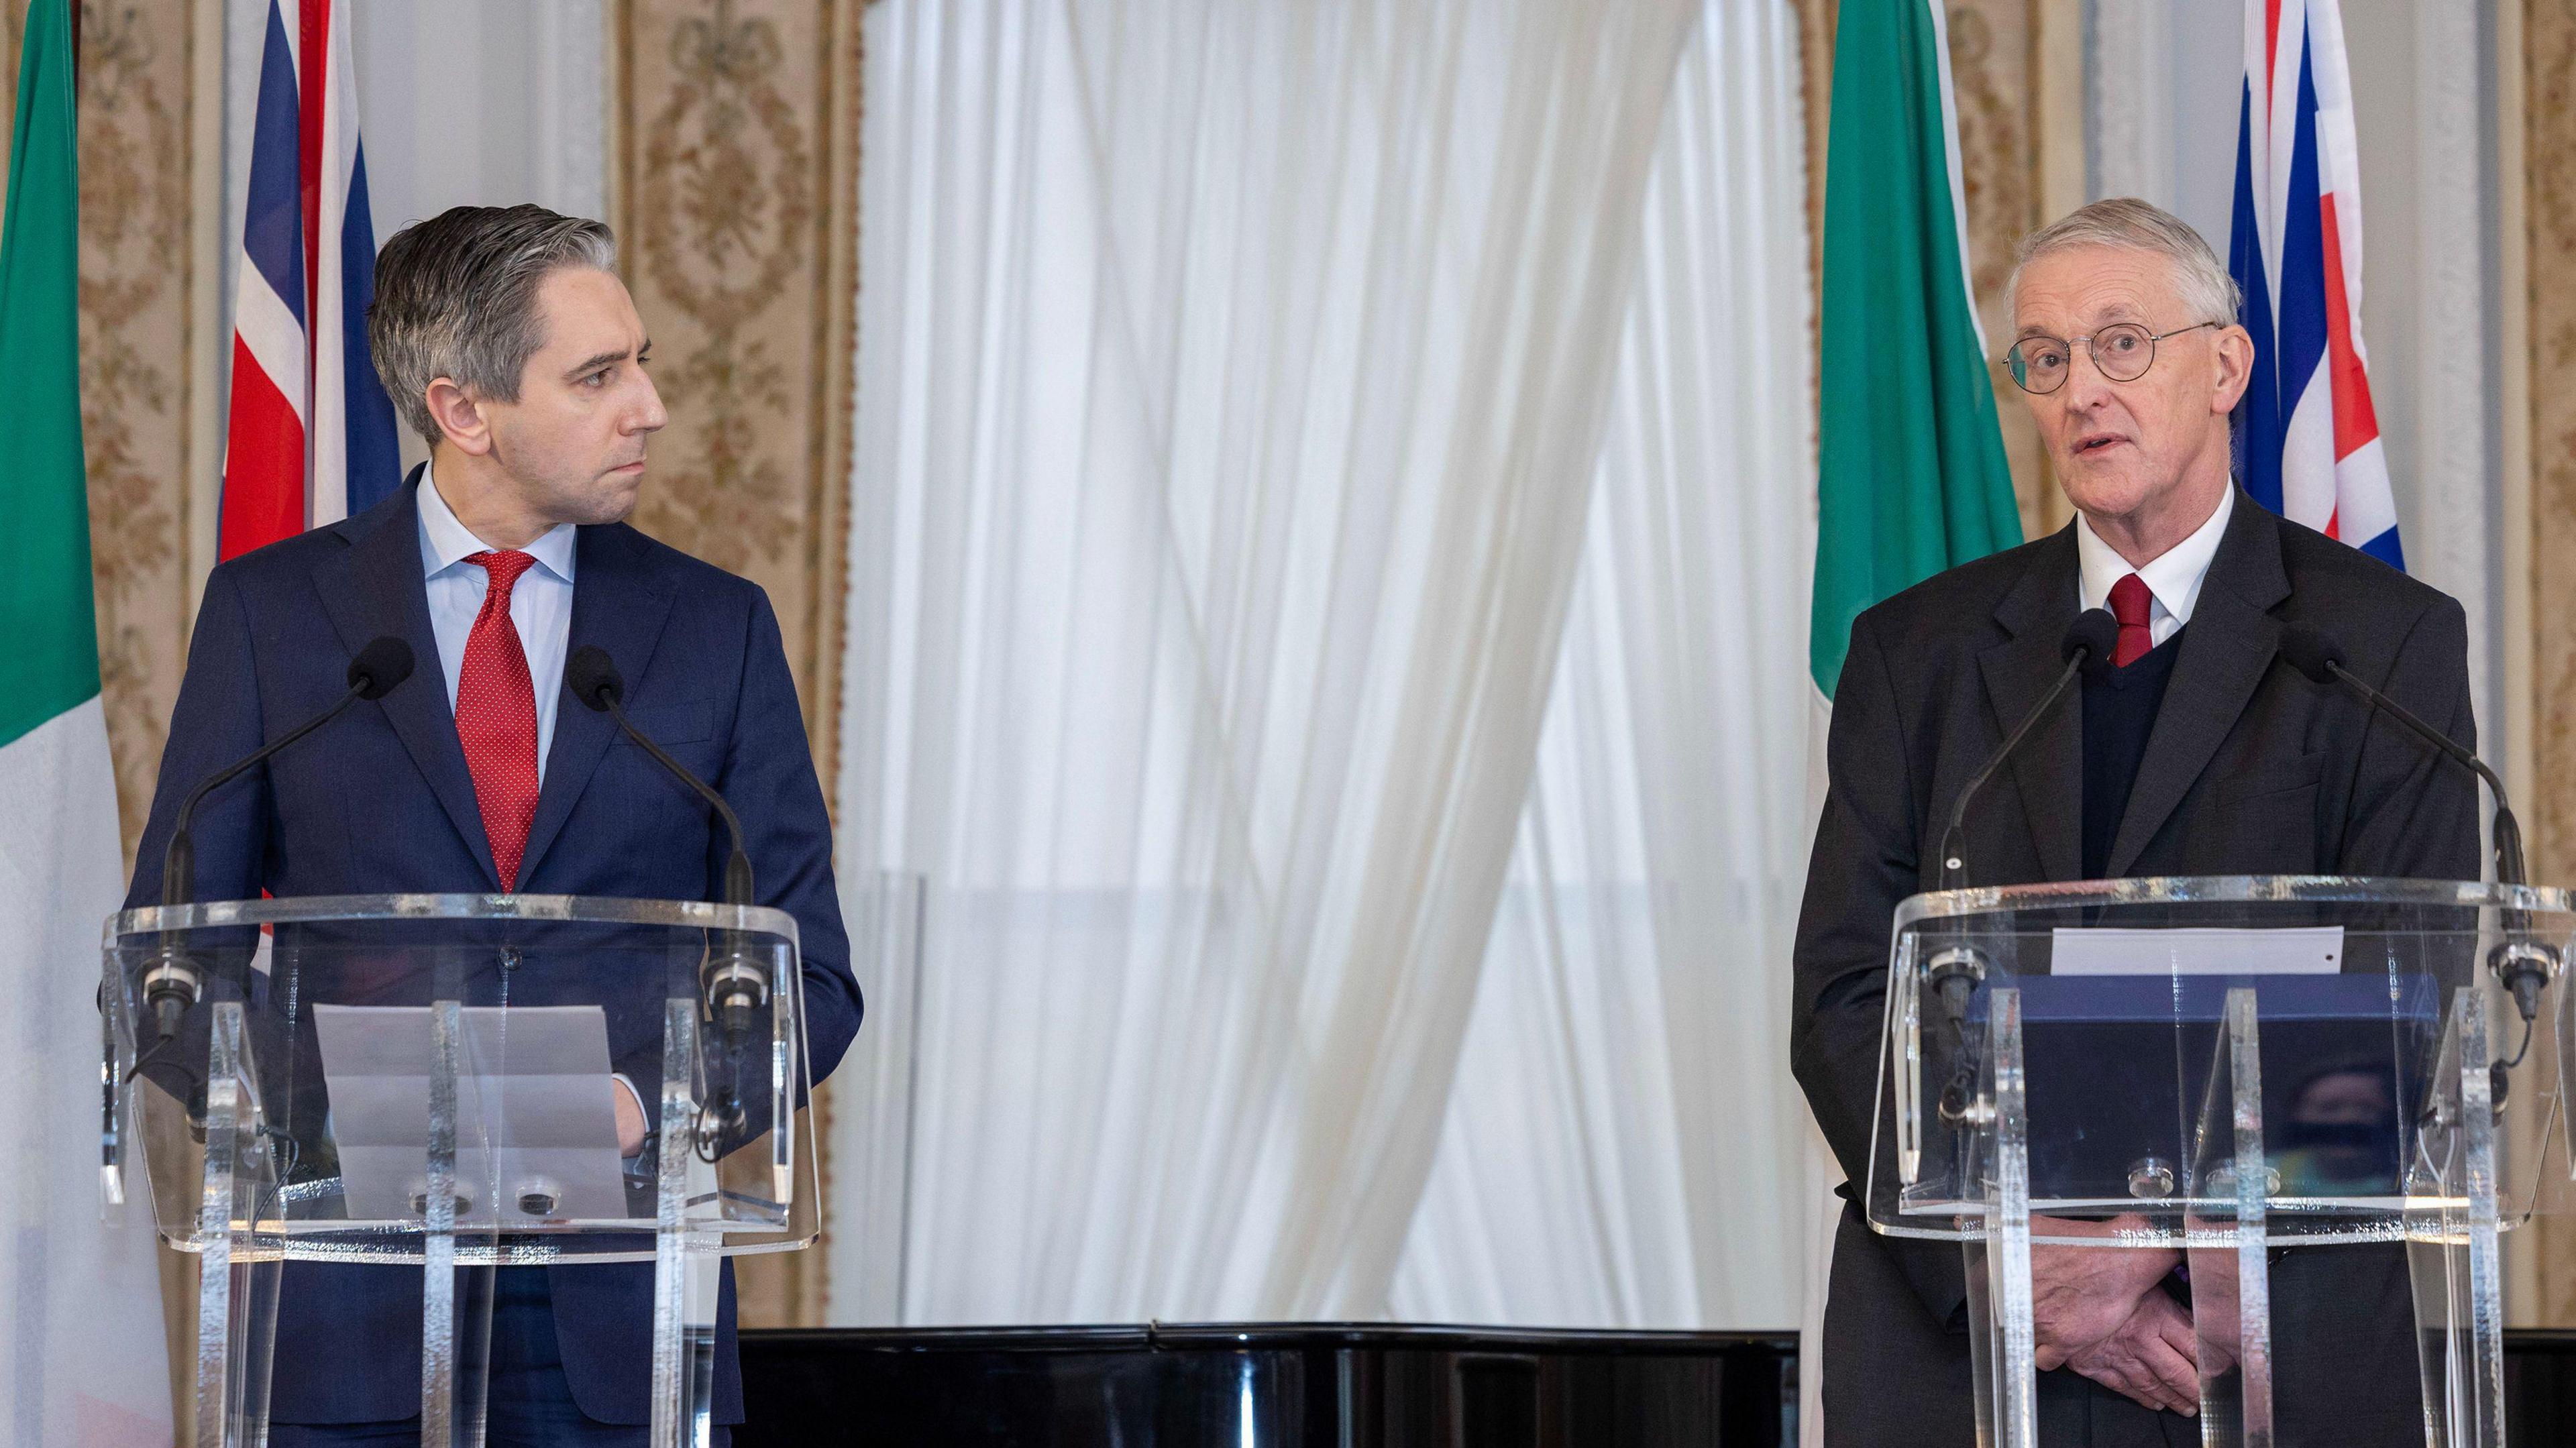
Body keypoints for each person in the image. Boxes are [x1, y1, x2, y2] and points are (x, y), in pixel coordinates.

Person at [125, 205, 863, 1446]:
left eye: (641, 362)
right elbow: (166, 974)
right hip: (348, 1320)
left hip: (623, 1326)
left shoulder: (716, 630)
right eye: (598, 375)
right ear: (464, 409)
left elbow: (814, 982)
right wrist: (351, 1112)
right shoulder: (277, 616)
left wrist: (637, 1106)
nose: (650, 406)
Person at [1791, 197, 2475, 1447]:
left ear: (2225, 364)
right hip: (1970, 1344)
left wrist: (2153, 1259)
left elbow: (2410, 1002)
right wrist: (2016, 1269)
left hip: (2261, 1343)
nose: (2080, 391)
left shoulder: (2379, 645)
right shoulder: (1921, 654)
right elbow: (1844, 997)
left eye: (2120, 343)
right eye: (2046, 359)